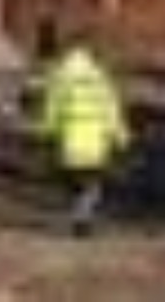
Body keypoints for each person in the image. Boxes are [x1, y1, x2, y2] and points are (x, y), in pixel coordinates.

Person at [36, 24, 131, 236]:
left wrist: (46, 131)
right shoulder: (100, 76)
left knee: (73, 180)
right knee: (93, 181)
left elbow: (53, 105)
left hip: (70, 140)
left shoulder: (61, 74)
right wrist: (121, 136)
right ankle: (83, 214)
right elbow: (110, 108)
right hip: (95, 140)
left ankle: (79, 213)